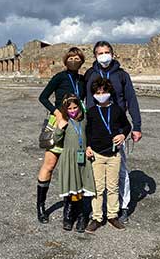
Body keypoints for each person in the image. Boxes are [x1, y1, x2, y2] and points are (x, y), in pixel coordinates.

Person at [84, 40, 142, 224]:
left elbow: (131, 100)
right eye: (100, 53)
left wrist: (137, 126)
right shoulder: (90, 74)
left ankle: (122, 207)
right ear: (95, 56)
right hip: (95, 131)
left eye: (106, 52)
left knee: (122, 170)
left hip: (117, 130)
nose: (104, 56)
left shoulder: (122, 75)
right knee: (95, 172)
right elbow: (81, 99)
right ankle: (96, 211)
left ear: (113, 53)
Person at [36, 47, 86, 223]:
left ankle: (70, 209)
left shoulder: (82, 80)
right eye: (71, 57)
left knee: (73, 166)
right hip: (59, 123)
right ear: (66, 60)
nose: (74, 60)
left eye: (77, 57)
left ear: (81, 60)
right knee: (49, 165)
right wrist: (56, 113)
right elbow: (43, 97)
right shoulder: (59, 77)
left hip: (76, 126)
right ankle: (41, 206)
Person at [85, 78, 129, 233]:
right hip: (97, 155)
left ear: (109, 92)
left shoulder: (117, 110)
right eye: (98, 92)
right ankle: (97, 217)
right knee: (97, 188)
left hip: (113, 155)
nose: (101, 95)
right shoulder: (91, 111)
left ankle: (112, 215)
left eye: (104, 92)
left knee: (112, 187)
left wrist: (123, 135)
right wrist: (87, 147)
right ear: (94, 94)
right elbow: (87, 132)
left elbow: (127, 126)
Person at [52, 94, 95, 232]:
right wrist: (60, 128)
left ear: (79, 107)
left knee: (83, 185)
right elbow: (56, 139)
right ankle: (68, 215)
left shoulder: (84, 120)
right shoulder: (65, 121)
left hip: (83, 158)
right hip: (69, 158)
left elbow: (90, 134)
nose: (72, 110)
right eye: (69, 108)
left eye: (75, 107)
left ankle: (82, 216)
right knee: (72, 185)